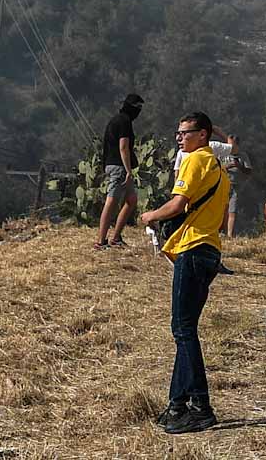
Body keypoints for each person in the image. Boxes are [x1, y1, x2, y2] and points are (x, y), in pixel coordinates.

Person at [138, 111, 231, 434]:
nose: (179, 138)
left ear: (203, 134)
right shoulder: (219, 167)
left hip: (192, 248)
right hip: (209, 250)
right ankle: (177, 403)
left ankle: (201, 406)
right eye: (177, 133)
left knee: (183, 329)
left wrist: (150, 215)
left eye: (185, 133)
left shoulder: (195, 161)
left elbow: (177, 204)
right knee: (185, 328)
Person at [95, 94, 144, 250]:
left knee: (131, 200)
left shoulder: (117, 120)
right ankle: (101, 241)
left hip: (114, 165)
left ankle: (116, 238)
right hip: (119, 167)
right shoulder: (124, 122)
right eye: (137, 108)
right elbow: (123, 147)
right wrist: (128, 170)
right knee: (112, 201)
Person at [212, 133, 249, 237]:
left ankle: (229, 235)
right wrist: (226, 167)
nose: (229, 148)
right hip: (221, 184)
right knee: (220, 209)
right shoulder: (222, 154)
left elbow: (248, 171)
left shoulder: (242, 155)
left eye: (231, 146)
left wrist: (239, 166)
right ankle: (218, 231)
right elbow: (214, 168)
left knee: (232, 210)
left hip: (235, 185)